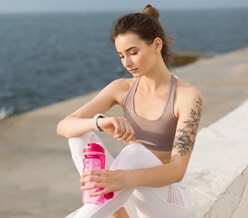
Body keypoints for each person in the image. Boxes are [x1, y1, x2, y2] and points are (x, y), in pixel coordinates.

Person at [57, 4, 203, 218]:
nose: (127, 63)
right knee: (79, 137)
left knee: (135, 151)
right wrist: (100, 122)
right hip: (130, 192)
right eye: (121, 56)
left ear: (157, 45)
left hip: (168, 201)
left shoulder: (187, 96)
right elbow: (64, 126)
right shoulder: (122, 88)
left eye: (133, 53)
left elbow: (177, 170)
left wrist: (126, 179)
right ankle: (117, 211)